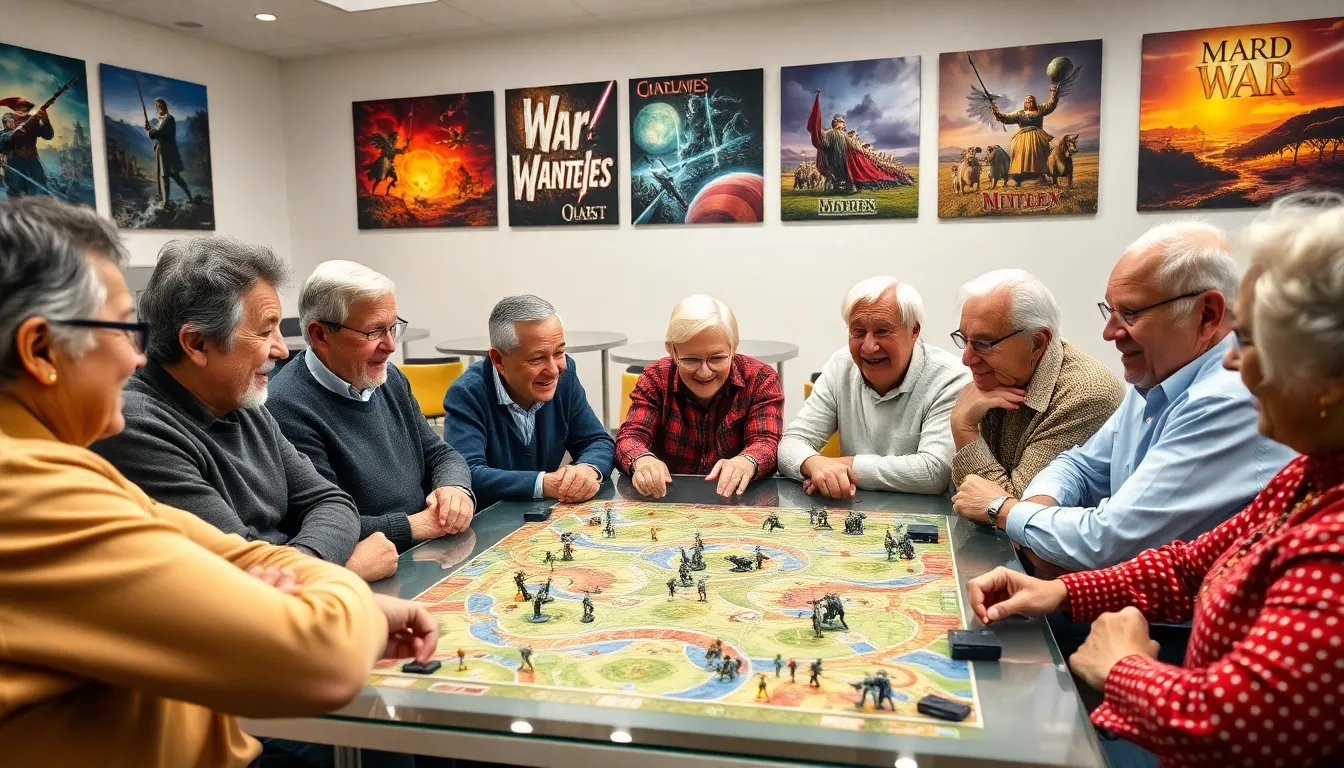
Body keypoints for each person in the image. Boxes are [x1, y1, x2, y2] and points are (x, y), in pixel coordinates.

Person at [0, 196, 439, 767]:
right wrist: (338, 591)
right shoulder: (33, 494)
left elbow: (267, 541)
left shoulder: (67, 468)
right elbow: (319, 656)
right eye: (122, 330)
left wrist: (300, 592)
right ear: (40, 350)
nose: (136, 359)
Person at [966, 192, 1344, 768]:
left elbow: (1230, 726)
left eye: (1252, 341)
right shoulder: (1308, 475)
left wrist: (1121, 667)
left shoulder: (1328, 527)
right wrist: (1063, 592)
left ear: (1331, 377)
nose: (1235, 363)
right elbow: (1188, 563)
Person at [954, 222, 1296, 576]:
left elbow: (1108, 540)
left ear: (1207, 314)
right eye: (1110, 310)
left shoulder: (1224, 399)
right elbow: (1080, 466)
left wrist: (1003, 510)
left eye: (1130, 313)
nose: (1109, 332)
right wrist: (1033, 510)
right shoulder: (1156, 377)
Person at [91, 236, 399, 582]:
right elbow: (240, 575)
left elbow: (331, 501)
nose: (282, 350)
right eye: (265, 332)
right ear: (196, 343)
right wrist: (342, 569)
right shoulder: (137, 428)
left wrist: (308, 564)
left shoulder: (242, 400)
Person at [268, 260, 474, 552]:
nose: (391, 346)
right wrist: (413, 526)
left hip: (427, 546)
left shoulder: (389, 378)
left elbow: (439, 453)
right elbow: (320, 523)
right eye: (374, 332)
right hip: (371, 561)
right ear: (320, 335)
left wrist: (454, 488)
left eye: (393, 327)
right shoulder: (286, 406)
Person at [778, 276, 968, 497]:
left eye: (882, 331)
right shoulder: (841, 366)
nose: (868, 347)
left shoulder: (949, 377)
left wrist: (843, 467)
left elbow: (933, 472)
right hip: (854, 505)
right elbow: (790, 444)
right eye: (858, 332)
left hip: (926, 513)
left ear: (914, 331)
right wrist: (814, 464)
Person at [949, 269, 1124, 501]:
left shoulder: (1087, 395)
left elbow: (1013, 508)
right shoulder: (997, 377)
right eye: (964, 340)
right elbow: (963, 495)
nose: (966, 359)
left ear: (1037, 343)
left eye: (983, 343)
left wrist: (963, 428)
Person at [444, 294, 615, 509]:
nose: (553, 370)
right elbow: (465, 474)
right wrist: (545, 483)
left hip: (545, 517)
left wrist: (587, 470)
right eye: (536, 358)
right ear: (499, 360)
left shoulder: (565, 376)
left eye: (559, 352)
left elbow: (597, 440)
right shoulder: (467, 394)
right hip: (489, 521)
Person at [616, 294, 784, 499]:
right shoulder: (656, 378)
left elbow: (767, 440)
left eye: (717, 358)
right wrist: (642, 460)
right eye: (690, 360)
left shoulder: (760, 378)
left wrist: (747, 461)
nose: (704, 372)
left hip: (738, 501)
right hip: (669, 501)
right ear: (672, 351)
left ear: (733, 348)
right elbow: (631, 436)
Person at [990, 90, 1059, 185]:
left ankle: (1040, 174)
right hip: (1021, 137)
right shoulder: (1020, 113)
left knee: (1041, 149)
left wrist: (1053, 94)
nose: (1028, 102)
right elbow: (1007, 118)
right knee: (1018, 150)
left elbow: (1050, 105)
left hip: (1038, 136)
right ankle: (1019, 176)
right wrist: (997, 113)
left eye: (1030, 100)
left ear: (1034, 102)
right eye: (1026, 101)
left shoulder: (1040, 109)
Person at [0, 98, 54, 197]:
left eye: (24, 108)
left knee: (38, 188)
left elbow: (48, 135)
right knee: (15, 189)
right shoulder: (10, 120)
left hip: (32, 160)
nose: (21, 111)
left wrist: (45, 119)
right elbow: (2, 140)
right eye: (18, 108)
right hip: (14, 160)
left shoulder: (34, 121)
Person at [145, 97, 192, 205]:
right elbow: (155, 134)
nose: (159, 108)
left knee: (171, 175)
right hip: (162, 151)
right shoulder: (161, 121)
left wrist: (149, 131)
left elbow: (157, 133)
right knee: (165, 175)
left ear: (165, 107)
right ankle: (166, 201)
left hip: (168, 152)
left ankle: (175, 200)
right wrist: (149, 129)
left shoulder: (169, 119)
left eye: (160, 105)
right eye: (157, 106)